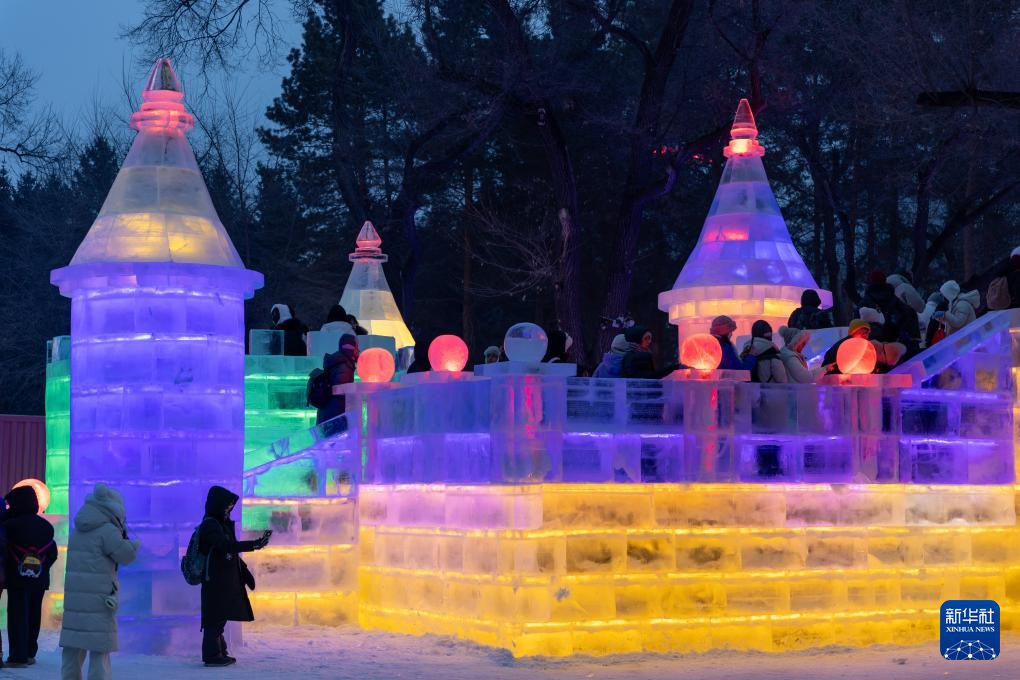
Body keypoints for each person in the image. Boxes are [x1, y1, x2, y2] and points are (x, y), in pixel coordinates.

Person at [59, 484, 140, 680]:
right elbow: (126, 556)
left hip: (76, 598)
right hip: (98, 598)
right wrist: (133, 543)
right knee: (99, 647)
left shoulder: (78, 529)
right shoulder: (108, 531)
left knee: (74, 644)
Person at [199, 486, 272, 667]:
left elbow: (231, 551)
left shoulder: (222, 524)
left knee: (220, 617)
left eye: (230, 506)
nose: (229, 509)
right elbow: (226, 546)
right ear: (217, 505)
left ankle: (219, 652)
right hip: (214, 580)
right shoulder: (210, 525)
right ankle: (212, 656)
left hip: (223, 579)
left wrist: (245, 572)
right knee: (214, 618)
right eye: (226, 506)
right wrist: (253, 545)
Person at [4, 485, 58, 667]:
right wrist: (42, 567)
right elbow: (52, 553)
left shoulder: (10, 525)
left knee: (17, 616)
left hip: (17, 578)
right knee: (34, 615)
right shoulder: (46, 526)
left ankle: (17, 656)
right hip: (39, 578)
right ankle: (29, 653)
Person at [315, 334, 359, 425]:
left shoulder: (336, 360)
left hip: (326, 412)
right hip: (335, 415)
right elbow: (341, 390)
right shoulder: (344, 365)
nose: (358, 350)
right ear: (352, 347)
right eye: (356, 347)